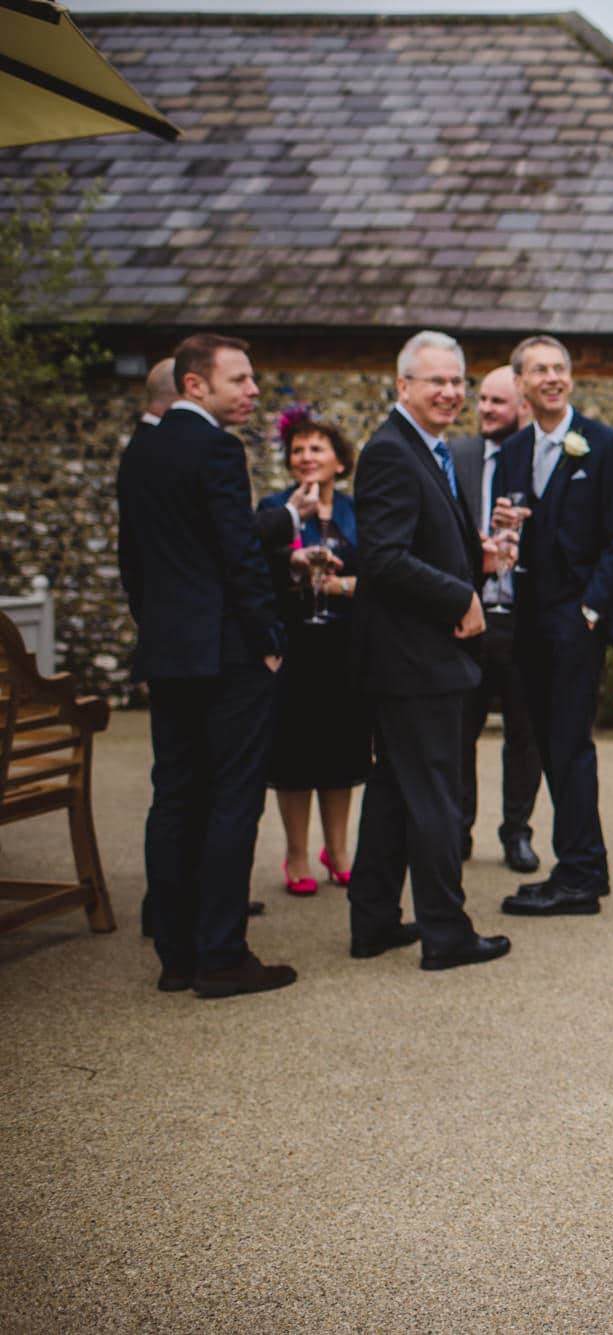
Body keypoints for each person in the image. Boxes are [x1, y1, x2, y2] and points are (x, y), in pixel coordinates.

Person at [115, 333, 296, 998]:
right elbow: (238, 552)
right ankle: (222, 956)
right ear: (196, 385)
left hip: (170, 651)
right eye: (240, 379)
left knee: (175, 797)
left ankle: (176, 954)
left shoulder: (142, 449)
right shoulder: (217, 447)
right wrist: (268, 634)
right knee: (232, 799)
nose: (253, 390)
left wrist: (160, 629)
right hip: (228, 651)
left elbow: (131, 561)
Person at [346, 330, 510, 972]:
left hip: (407, 658)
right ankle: (447, 933)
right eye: (435, 380)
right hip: (414, 658)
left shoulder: (424, 448)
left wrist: (479, 556)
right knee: (439, 794)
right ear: (403, 386)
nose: (450, 392)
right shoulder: (390, 452)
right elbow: (383, 558)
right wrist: (460, 597)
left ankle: (374, 921)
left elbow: (415, 538)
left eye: (457, 381)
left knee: (393, 789)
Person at [493, 334, 613, 917]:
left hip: (576, 621)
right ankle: (579, 865)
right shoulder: (511, 451)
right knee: (547, 746)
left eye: (560, 368)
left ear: (570, 379)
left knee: (570, 745)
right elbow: (507, 531)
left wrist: (589, 610)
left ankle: (580, 876)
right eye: (540, 370)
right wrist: (505, 533)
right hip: (525, 619)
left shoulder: (605, 445)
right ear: (521, 385)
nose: (552, 377)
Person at [257, 407, 369, 896]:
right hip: (293, 645)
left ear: (338, 462)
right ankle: (298, 854)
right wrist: (291, 570)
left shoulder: (356, 511)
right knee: (295, 754)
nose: (306, 456)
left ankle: (339, 851)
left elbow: (379, 575)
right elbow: (255, 573)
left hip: (343, 644)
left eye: (316, 448)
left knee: (342, 750)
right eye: (298, 449)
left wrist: (341, 584)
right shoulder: (272, 508)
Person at [449, 366, 542, 874]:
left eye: (497, 401)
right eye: (481, 399)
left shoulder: (542, 460)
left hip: (524, 618)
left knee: (524, 734)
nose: (484, 409)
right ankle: (458, 830)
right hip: (470, 613)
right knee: (460, 729)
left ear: (523, 406)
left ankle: (517, 832)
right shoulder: (458, 456)